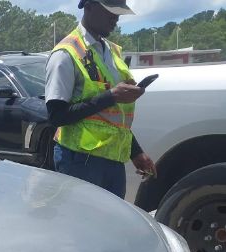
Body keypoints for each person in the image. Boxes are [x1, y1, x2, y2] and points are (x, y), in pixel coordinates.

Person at [45, 0, 156, 198]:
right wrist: (111, 96)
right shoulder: (65, 54)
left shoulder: (112, 52)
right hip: (80, 161)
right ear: (89, 6)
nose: (116, 19)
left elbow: (114, 118)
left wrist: (136, 152)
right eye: (110, 12)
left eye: (118, 13)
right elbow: (57, 116)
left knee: (111, 218)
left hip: (113, 161)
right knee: (83, 217)